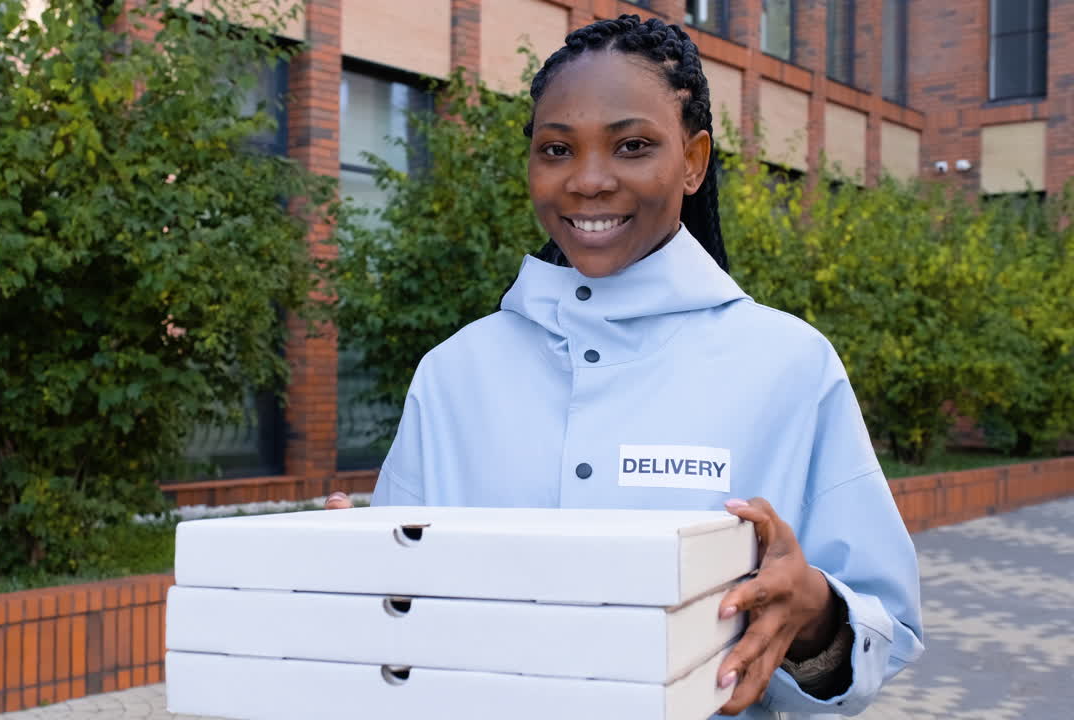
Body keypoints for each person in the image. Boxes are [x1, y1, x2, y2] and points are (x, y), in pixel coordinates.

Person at [326, 14, 923, 719]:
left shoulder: (790, 366)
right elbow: (398, 620)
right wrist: (352, 576)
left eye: (633, 145)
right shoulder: (455, 373)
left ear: (694, 160)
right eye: (556, 149)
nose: (588, 180)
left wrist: (817, 614)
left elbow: (881, 635)